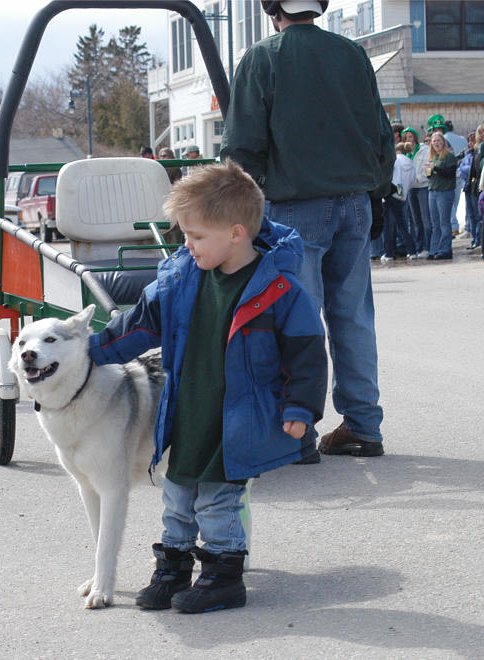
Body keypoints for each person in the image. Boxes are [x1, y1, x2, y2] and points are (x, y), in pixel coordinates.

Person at [88, 160, 327, 613]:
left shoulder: (281, 289)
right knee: (177, 495)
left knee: (218, 501)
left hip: (237, 420)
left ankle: (222, 576)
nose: (186, 244)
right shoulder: (180, 279)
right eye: (184, 234)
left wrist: (300, 409)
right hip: (186, 413)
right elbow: (137, 327)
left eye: (196, 236)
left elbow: (307, 354)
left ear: (236, 233)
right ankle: (173, 568)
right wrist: (90, 352)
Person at [220, 0, 394, 457]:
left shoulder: (262, 57)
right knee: (353, 317)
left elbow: (242, 145)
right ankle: (363, 425)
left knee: (298, 321)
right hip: (355, 202)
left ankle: (299, 435)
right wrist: (376, 187)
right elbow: (381, 132)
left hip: (296, 207)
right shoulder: (352, 54)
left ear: (273, 11)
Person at [381, 142, 417, 263]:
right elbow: (413, 181)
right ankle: (412, 251)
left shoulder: (396, 160)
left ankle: (389, 253)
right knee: (403, 225)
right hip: (402, 196)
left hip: (391, 195)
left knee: (388, 226)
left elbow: (392, 177)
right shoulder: (410, 162)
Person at [425, 131, 457, 260]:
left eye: (438, 141)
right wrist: (428, 171)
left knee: (444, 222)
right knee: (435, 223)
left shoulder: (448, 156)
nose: (436, 143)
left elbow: (450, 173)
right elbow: (430, 175)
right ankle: (434, 249)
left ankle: (445, 249)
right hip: (433, 191)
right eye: (434, 141)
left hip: (445, 192)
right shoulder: (432, 157)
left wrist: (435, 168)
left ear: (443, 142)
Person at [402, 127, 431, 256]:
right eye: (406, 137)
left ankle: (427, 246)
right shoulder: (405, 153)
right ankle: (418, 246)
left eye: (411, 136)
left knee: (425, 219)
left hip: (422, 187)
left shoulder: (424, 150)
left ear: (415, 137)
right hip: (411, 189)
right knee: (415, 220)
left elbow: (426, 169)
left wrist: (417, 179)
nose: (409, 139)